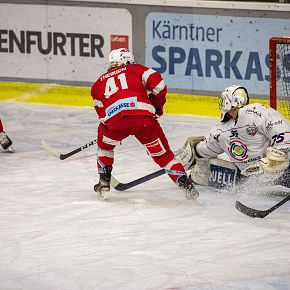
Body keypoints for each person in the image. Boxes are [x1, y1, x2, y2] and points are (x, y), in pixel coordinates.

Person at [90, 48, 199, 200]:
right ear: (128, 61)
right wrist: (156, 107)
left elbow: (101, 112)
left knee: (104, 146)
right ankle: (187, 187)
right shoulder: (136, 69)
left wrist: (114, 127)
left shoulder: (96, 85)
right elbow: (159, 86)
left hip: (114, 125)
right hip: (144, 121)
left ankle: (103, 183)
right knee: (165, 156)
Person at [175, 84, 290, 189]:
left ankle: (198, 176)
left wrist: (192, 153)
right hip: (256, 178)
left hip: (265, 176)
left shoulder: (251, 114)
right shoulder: (221, 130)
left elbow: (283, 135)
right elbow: (283, 135)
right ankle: (199, 175)